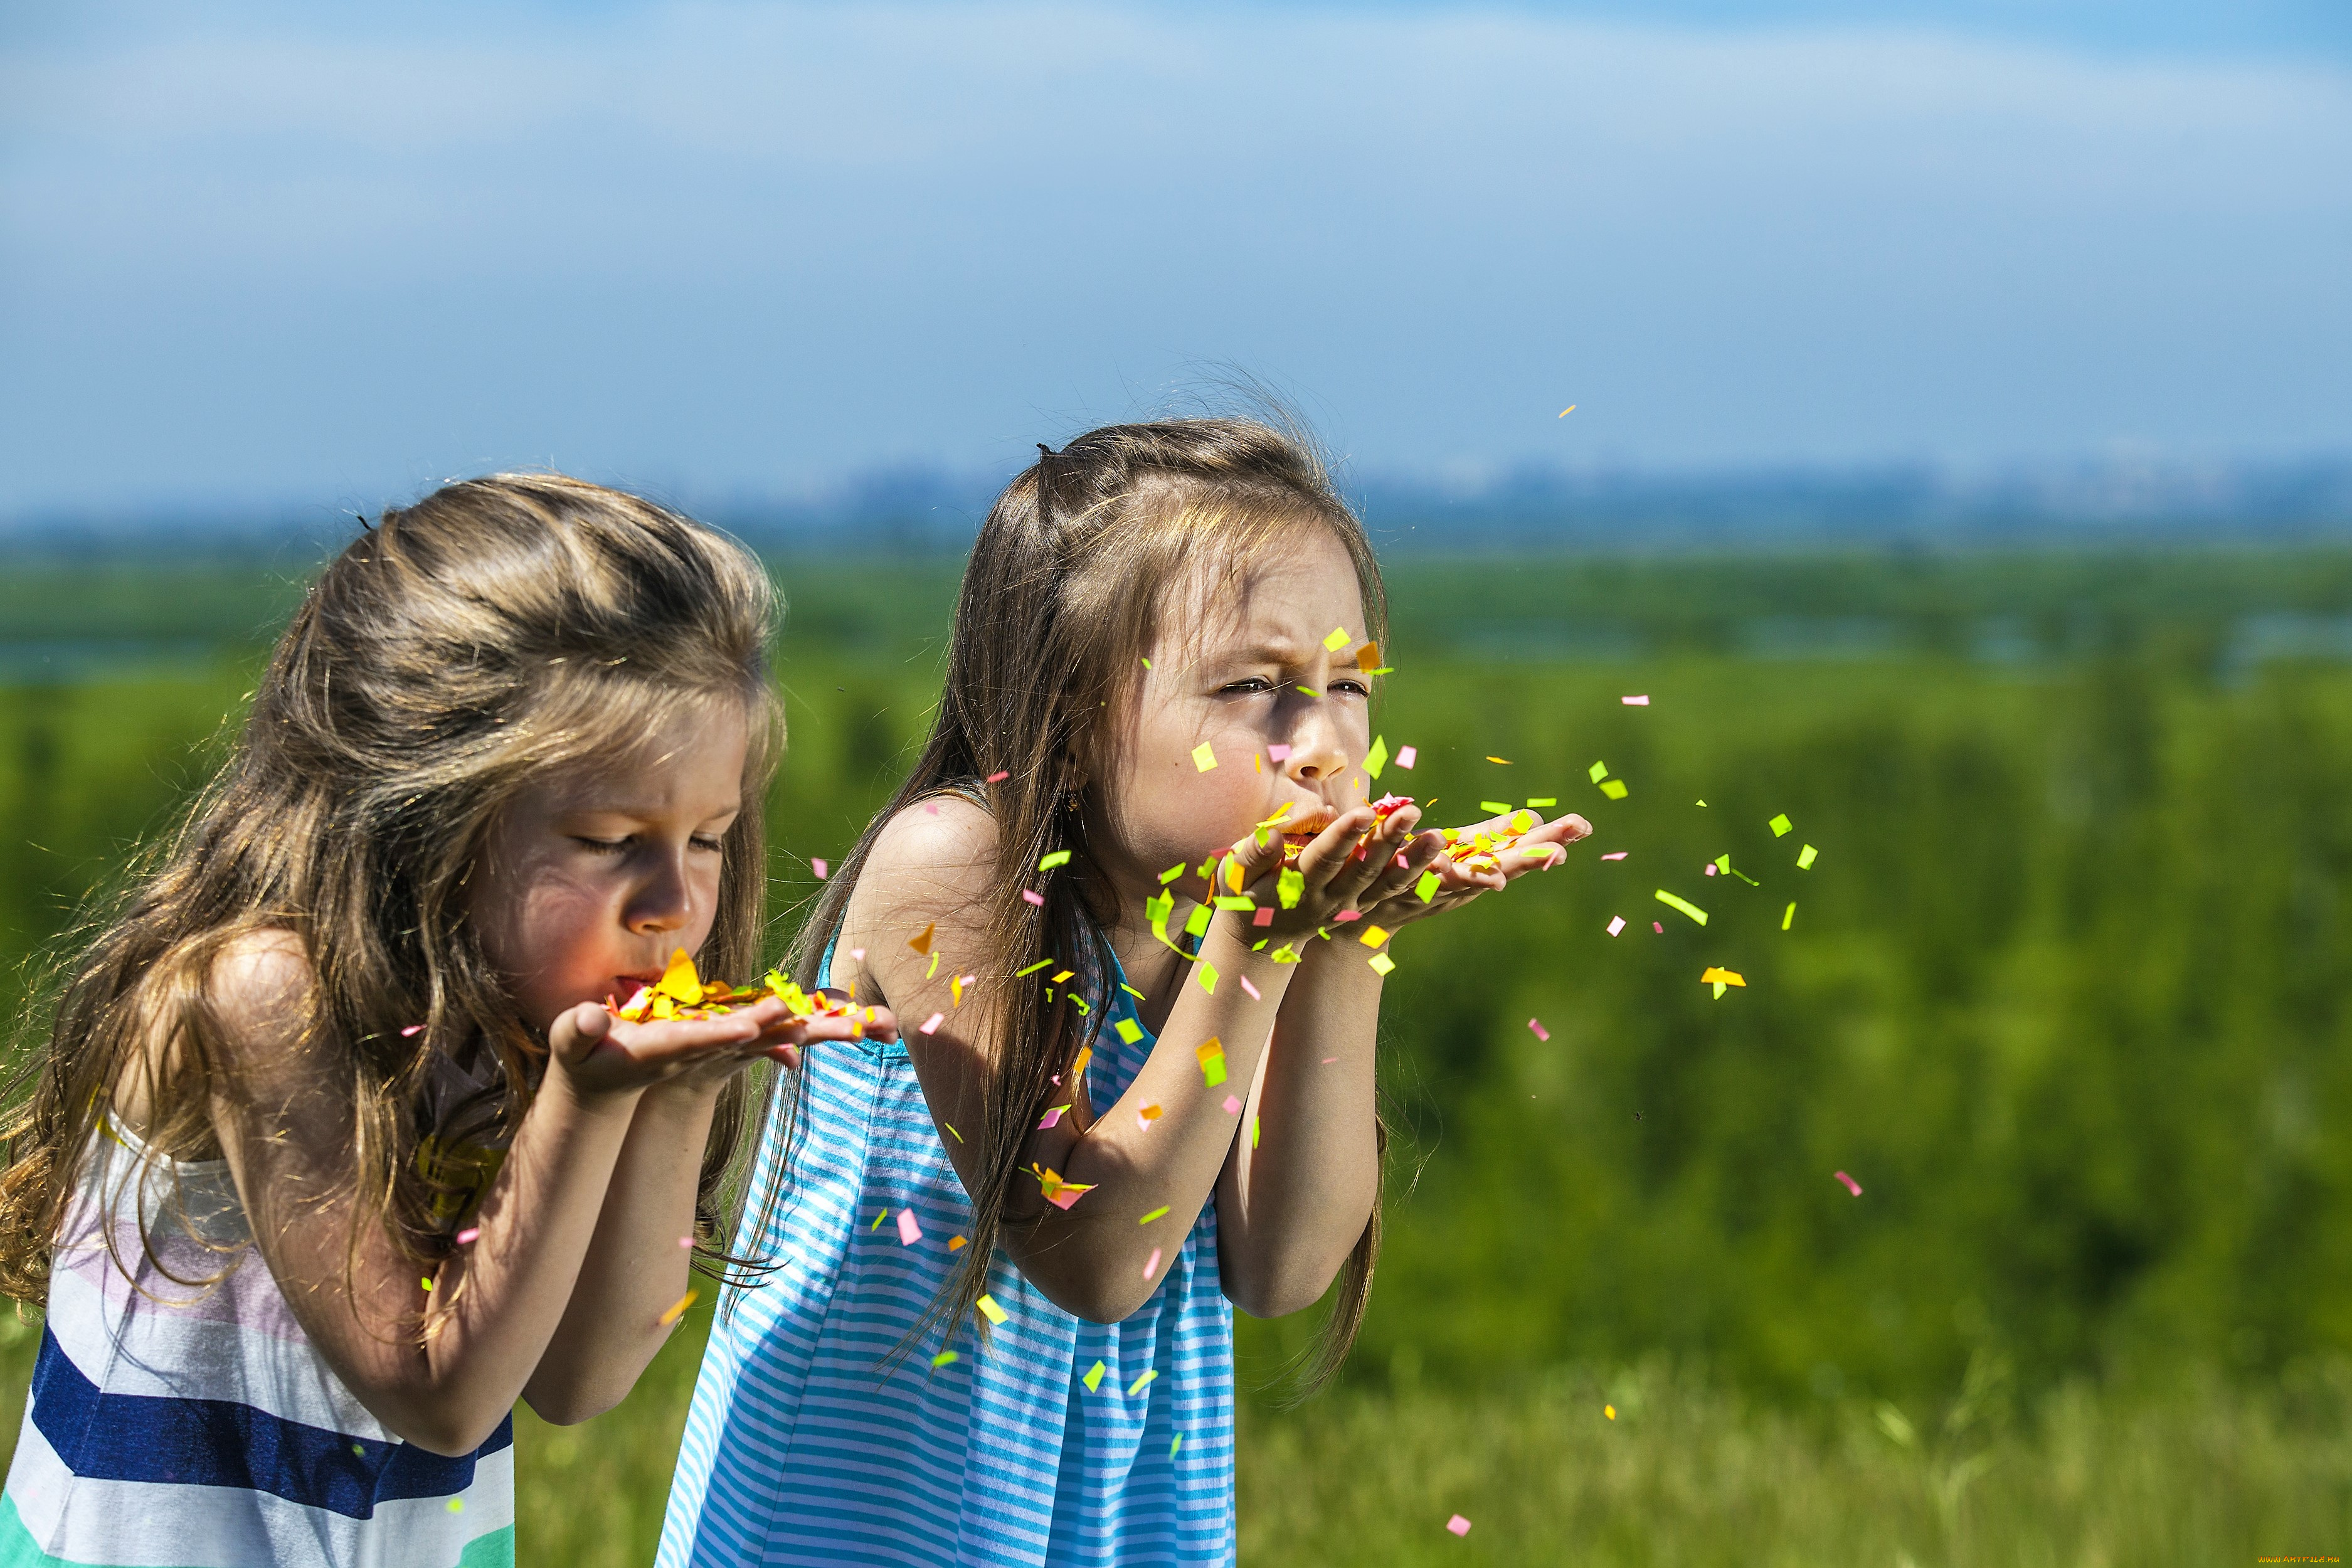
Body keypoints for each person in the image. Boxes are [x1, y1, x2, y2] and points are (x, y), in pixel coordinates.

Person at [658, 419, 1589, 1566]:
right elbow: (1098, 1257)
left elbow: (1284, 1266)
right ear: (1069, 708)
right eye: (1255, 685)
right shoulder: (951, 866)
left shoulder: (1226, 930)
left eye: (1348, 681)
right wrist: (1257, 942)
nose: (1322, 745)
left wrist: (1343, 945)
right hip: (864, 1532)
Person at [0, 475, 894, 1567]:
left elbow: (578, 1382)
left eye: (708, 837)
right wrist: (586, 1098)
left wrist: (679, 1093)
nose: (676, 903)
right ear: (428, 810)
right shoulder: (270, 996)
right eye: (615, 838)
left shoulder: (517, 1015)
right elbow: (445, 1399)